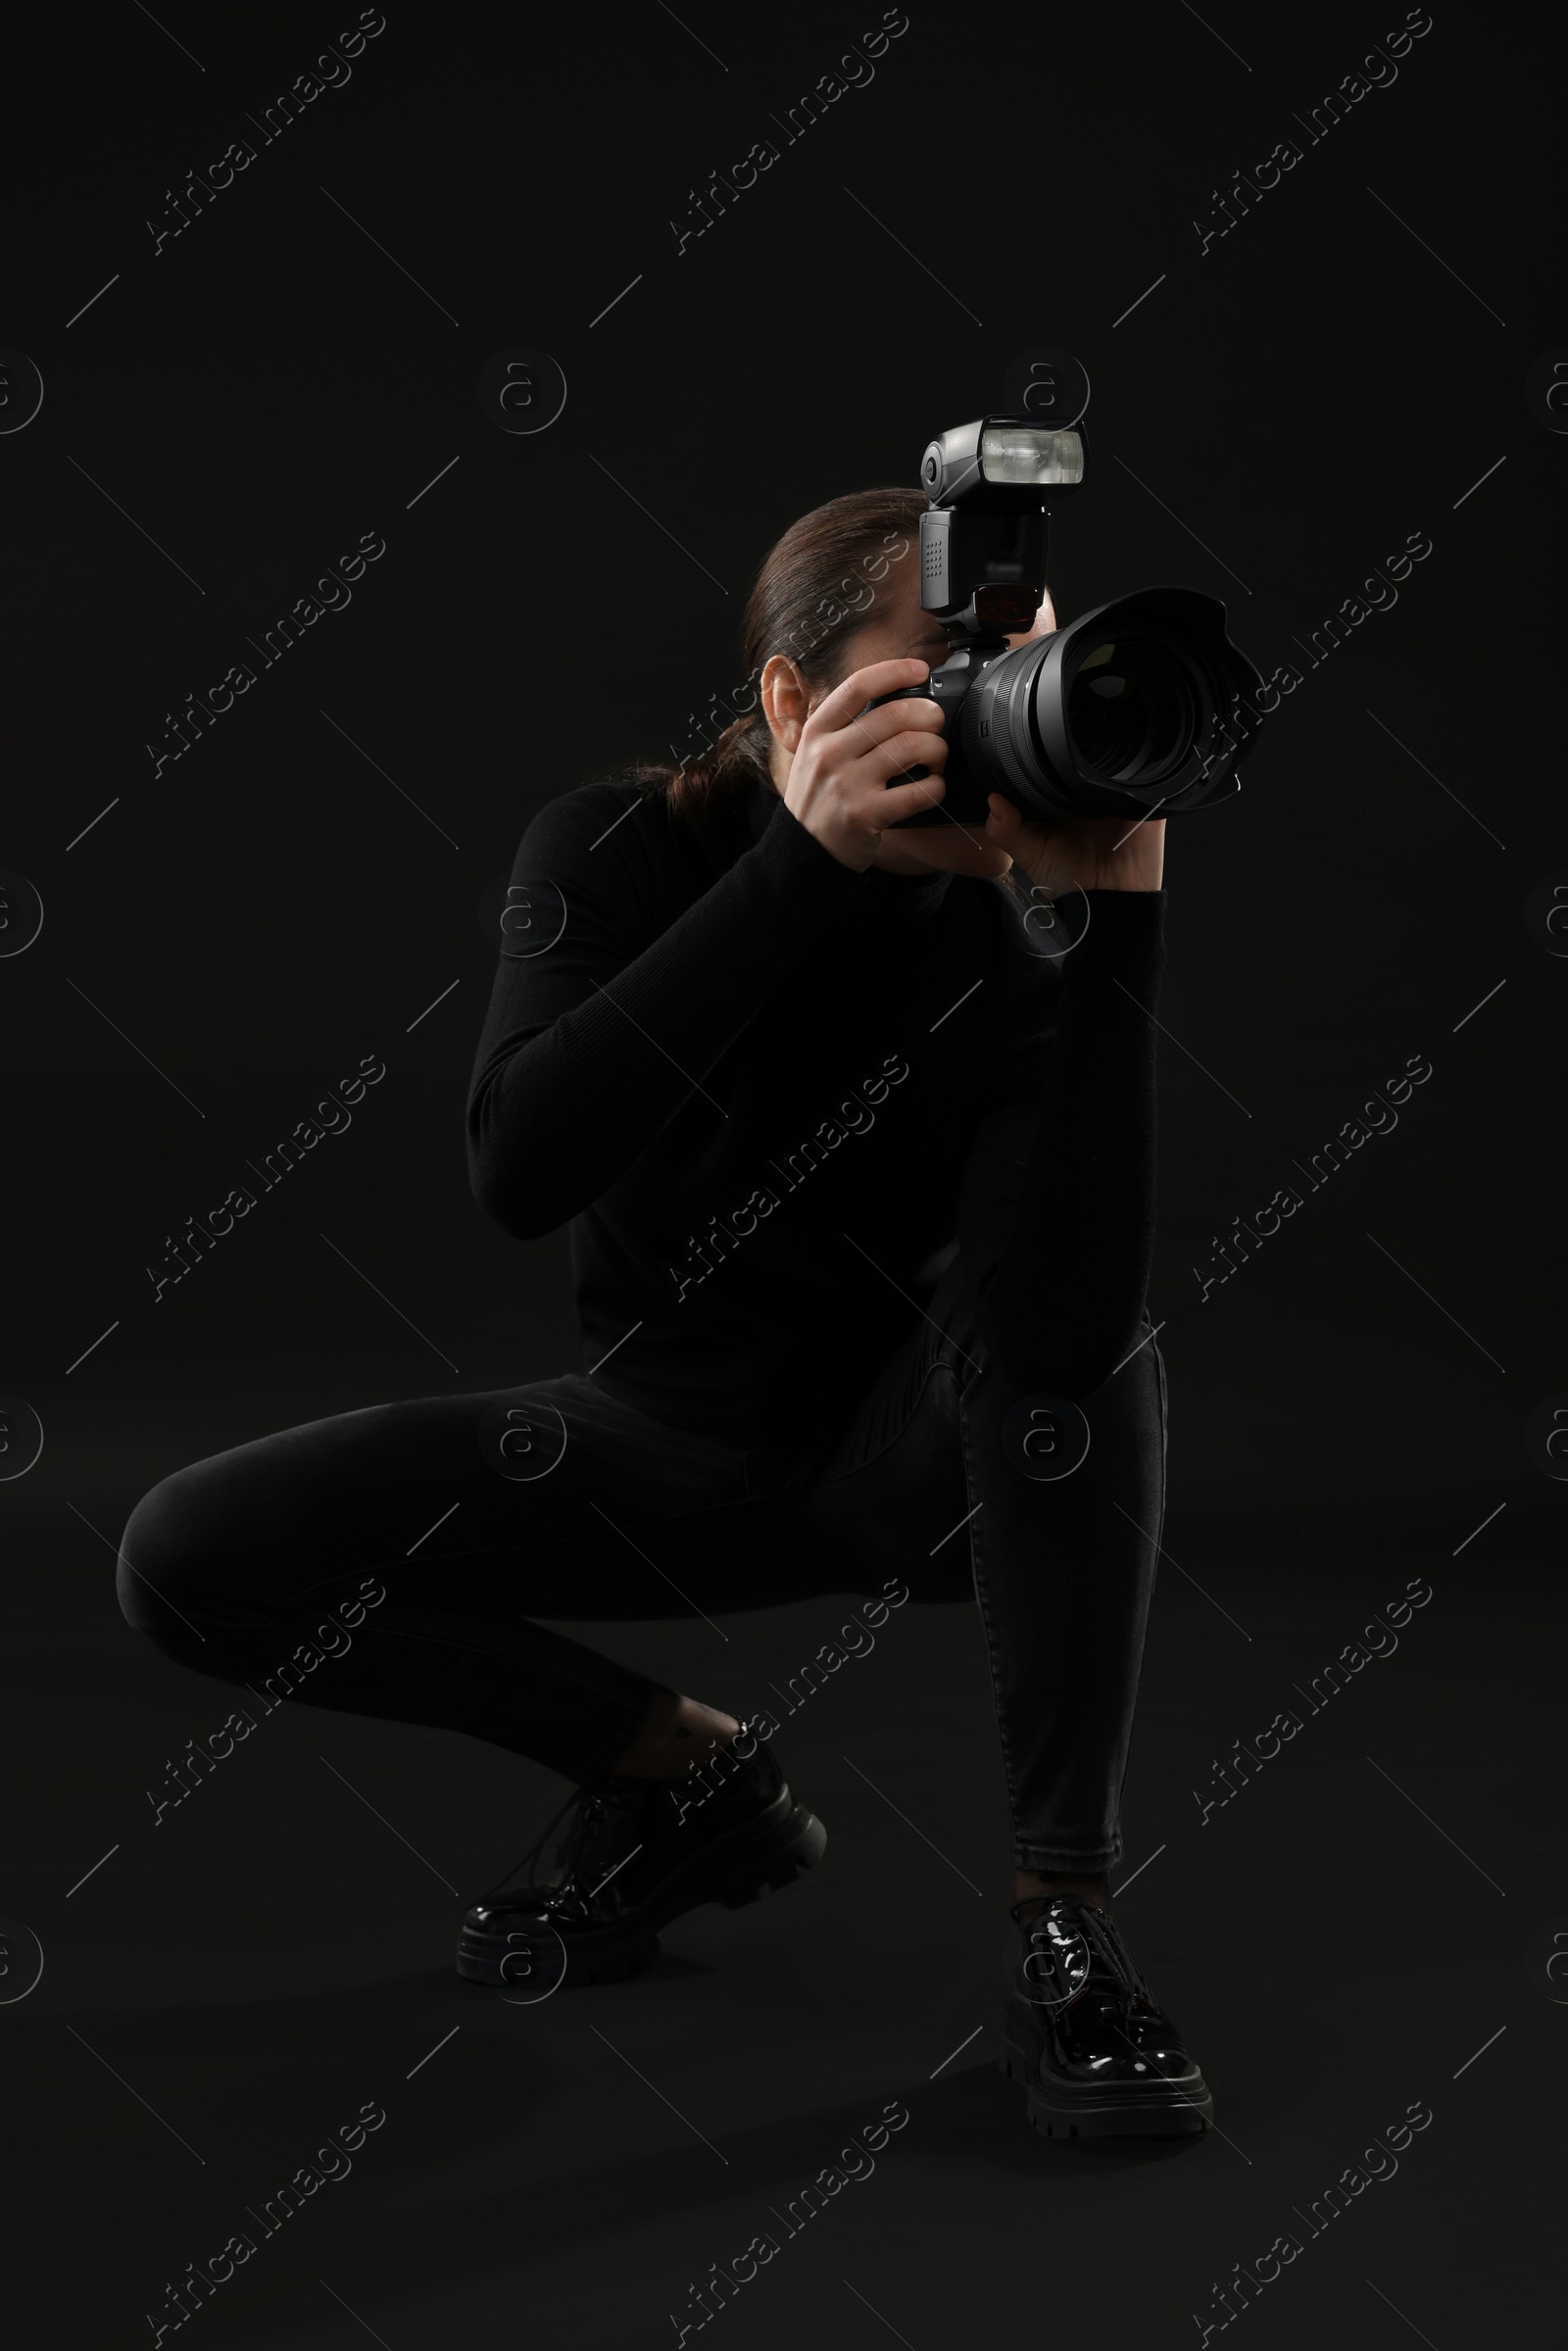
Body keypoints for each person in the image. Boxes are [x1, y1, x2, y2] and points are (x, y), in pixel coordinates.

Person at [118, 482, 1212, 2140]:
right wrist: (801, 865)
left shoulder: (1010, 942)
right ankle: (672, 1776)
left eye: (1022, 669)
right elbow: (522, 1165)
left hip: (905, 1468)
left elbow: (1061, 1321)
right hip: (650, 1449)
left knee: (1093, 1350)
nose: (999, 713)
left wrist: (1111, 934)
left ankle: (1064, 1919)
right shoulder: (617, 851)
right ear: (792, 700)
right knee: (189, 1555)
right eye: (949, 670)